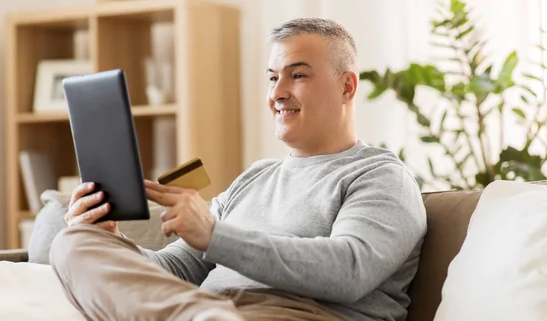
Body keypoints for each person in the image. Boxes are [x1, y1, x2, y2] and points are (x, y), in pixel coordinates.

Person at [50, 17, 427, 321]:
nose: (278, 92)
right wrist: (114, 243)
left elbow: (350, 271)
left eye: (298, 75)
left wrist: (215, 235)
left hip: (296, 314)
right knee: (72, 243)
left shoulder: (381, 177)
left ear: (347, 87)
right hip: (210, 309)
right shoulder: (254, 178)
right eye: (272, 77)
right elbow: (177, 269)